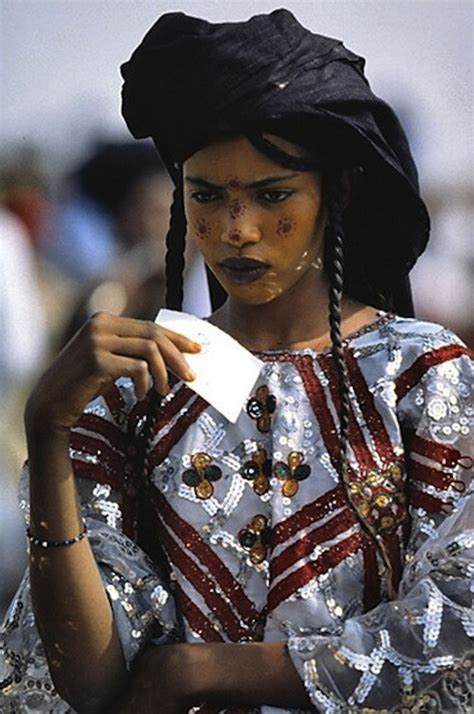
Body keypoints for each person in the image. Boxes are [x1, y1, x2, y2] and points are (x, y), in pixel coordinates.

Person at [0, 10, 472, 713]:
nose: (237, 229)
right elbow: (93, 682)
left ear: (336, 192)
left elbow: (456, 615)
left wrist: (208, 671)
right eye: (207, 196)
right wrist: (48, 430)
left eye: (273, 194)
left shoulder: (422, 377)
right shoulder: (139, 387)